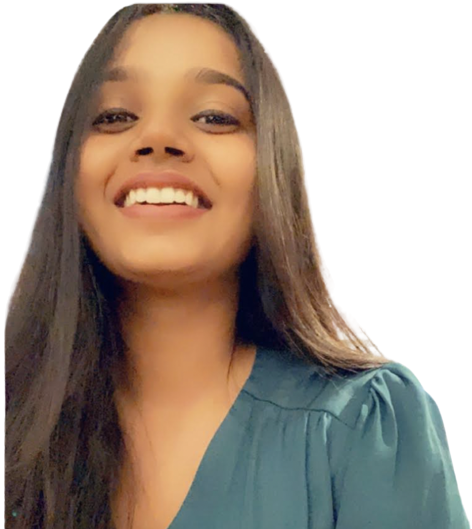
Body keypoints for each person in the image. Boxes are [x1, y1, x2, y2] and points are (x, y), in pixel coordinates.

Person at [4, 3, 468, 529]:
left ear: (272, 170)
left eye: (214, 116)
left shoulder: (363, 425)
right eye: (114, 116)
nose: (157, 137)